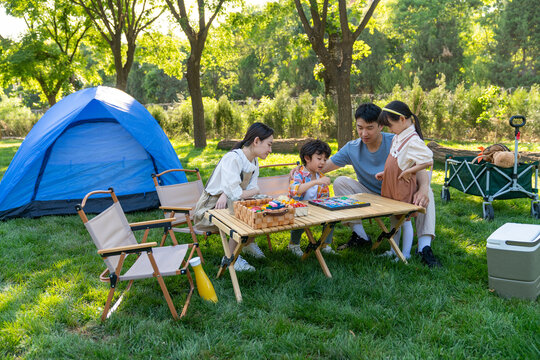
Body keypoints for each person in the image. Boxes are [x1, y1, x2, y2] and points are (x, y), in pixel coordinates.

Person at [320, 103, 441, 267]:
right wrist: (301, 170)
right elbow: (323, 167)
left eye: (369, 128)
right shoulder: (352, 148)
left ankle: (424, 247)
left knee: (427, 192)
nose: (364, 133)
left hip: (399, 193)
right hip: (372, 196)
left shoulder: (396, 139)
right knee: (341, 181)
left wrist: (422, 188)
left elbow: (419, 166)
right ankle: (361, 236)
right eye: (360, 127)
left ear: (381, 125)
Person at [193, 122, 274, 272]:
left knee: (257, 209)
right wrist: (250, 191)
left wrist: (249, 192)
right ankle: (231, 258)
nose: (270, 150)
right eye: (269, 145)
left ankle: (248, 244)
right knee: (241, 216)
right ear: (256, 141)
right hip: (210, 208)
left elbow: (245, 191)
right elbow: (240, 192)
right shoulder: (233, 159)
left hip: (230, 202)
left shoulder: (253, 161)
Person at [375, 101, 433, 260]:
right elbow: (399, 159)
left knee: (404, 221)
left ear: (401, 119)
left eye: (390, 125)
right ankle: (394, 250)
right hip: (392, 183)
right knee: (394, 219)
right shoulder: (398, 136)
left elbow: (428, 160)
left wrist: (410, 171)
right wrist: (385, 173)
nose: (389, 129)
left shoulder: (413, 139)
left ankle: (405, 254)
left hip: (402, 186)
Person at [287, 139, 336, 257]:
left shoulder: (321, 176)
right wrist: (316, 182)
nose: (323, 163)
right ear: (307, 158)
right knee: (300, 215)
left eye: (325, 159)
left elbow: (325, 197)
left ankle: (325, 244)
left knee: (332, 218)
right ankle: (293, 244)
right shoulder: (299, 174)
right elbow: (295, 190)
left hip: (315, 208)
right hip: (298, 208)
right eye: (319, 159)